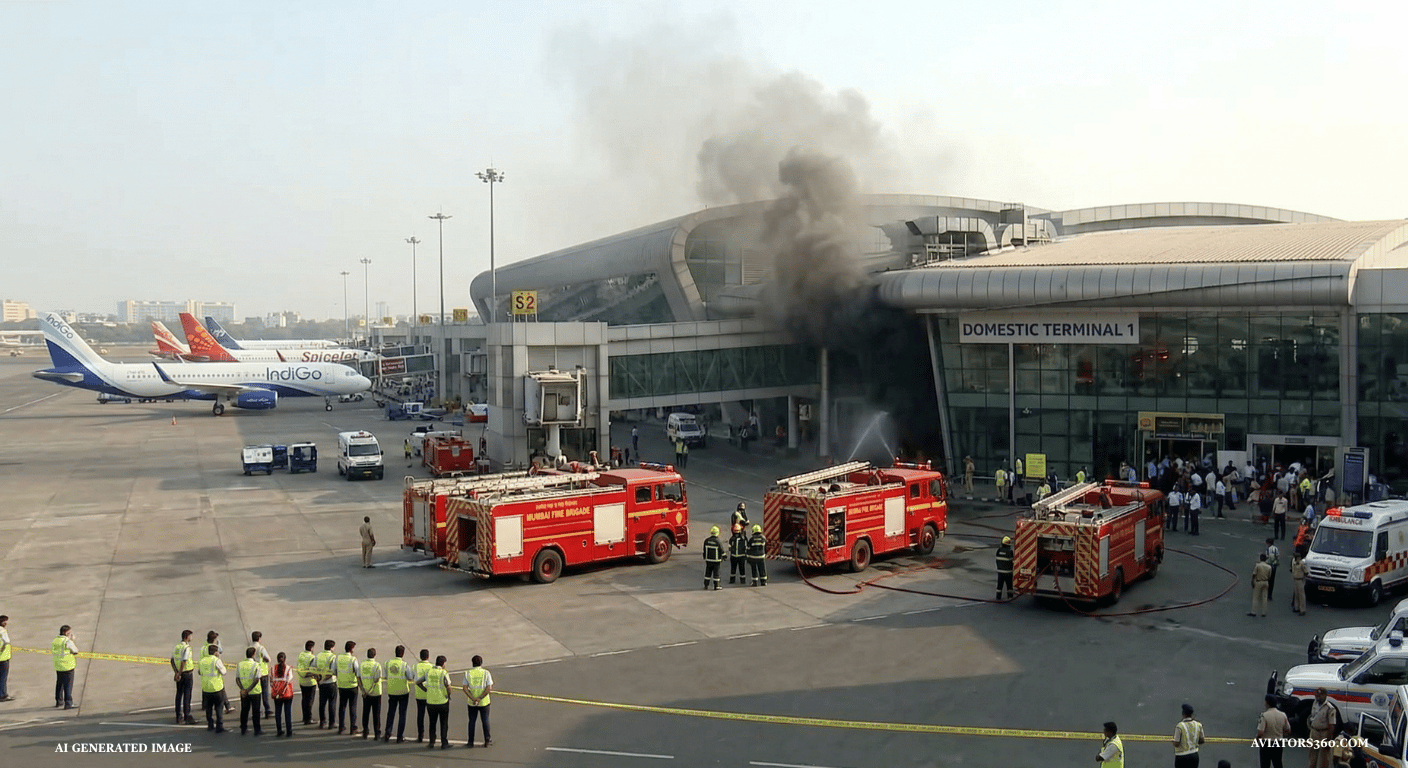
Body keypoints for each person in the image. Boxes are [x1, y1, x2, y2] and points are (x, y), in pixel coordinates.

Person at [416, 654, 452, 750]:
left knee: (432, 723)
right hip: (442, 701)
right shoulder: (443, 673)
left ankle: (432, 742)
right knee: (444, 723)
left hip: (431, 701)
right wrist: (448, 696)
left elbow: (418, 682)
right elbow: (448, 686)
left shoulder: (429, 671)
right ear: (443, 664)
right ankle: (444, 743)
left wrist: (426, 690)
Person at [461, 654, 493, 748]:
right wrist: (480, 698)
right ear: (481, 663)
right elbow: (489, 688)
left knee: (472, 721)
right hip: (484, 702)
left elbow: (465, 688)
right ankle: (487, 740)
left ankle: (470, 741)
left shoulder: (467, 673)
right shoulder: (486, 673)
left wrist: (472, 698)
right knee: (485, 720)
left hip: (472, 702)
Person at [383, 645, 411, 743]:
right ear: (403, 654)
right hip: (403, 691)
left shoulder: (387, 663)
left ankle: (387, 733)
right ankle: (400, 736)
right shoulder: (404, 665)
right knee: (402, 714)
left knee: (391, 713)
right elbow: (410, 677)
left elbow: (386, 676)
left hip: (392, 691)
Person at [1307, 688, 1340, 768]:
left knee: (1324, 758)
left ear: (1325, 695)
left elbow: (1332, 725)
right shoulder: (1315, 703)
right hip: (1314, 731)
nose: (1317, 698)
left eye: (1319, 696)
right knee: (1312, 755)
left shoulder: (1330, 708)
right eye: (1316, 696)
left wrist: (1328, 739)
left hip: (1324, 734)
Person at [198, 644, 227, 733]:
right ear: (215, 652)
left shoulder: (202, 661)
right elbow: (223, 672)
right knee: (219, 707)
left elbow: (199, 672)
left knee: (208, 708)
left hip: (206, 688)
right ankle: (219, 726)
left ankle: (210, 725)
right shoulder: (216, 660)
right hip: (217, 688)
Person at [1258, 694, 1291, 768]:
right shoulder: (1283, 715)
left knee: (1265, 764)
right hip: (1278, 743)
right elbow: (1288, 729)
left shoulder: (1264, 715)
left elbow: (1260, 732)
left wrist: (1257, 739)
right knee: (1277, 763)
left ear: (1267, 703)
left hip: (1266, 743)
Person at [170, 629, 196, 724]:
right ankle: (187, 715)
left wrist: (176, 673)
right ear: (187, 637)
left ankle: (178, 716)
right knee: (187, 695)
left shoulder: (177, 647)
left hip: (179, 674)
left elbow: (172, 660)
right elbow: (184, 661)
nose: (191, 638)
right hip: (186, 673)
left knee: (179, 695)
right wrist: (180, 673)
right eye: (191, 636)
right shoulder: (186, 648)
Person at [235, 647, 263, 736]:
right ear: (253, 654)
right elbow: (257, 679)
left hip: (244, 692)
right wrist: (248, 690)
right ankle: (257, 730)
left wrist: (243, 689)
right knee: (256, 711)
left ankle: (243, 728)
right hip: (255, 692)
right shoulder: (256, 665)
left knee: (244, 710)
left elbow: (237, 679)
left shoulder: (240, 664)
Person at [335, 640, 361, 734]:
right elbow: (358, 672)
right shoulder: (353, 659)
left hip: (342, 685)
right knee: (352, 707)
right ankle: (353, 728)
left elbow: (334, 670)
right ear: (352, 649)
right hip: (352, 686)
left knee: (342, 707)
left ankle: (341, 727)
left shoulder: (338, 658)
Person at [358, 647, 384, 740]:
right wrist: (371, 689)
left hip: (365, 693)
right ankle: (377, 733)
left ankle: (365, 731)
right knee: (376, 714)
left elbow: (358, 678)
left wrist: (363, 690)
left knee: (366, 713)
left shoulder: (362, 664)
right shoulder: (377, 665)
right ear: (374, 655)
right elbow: (377, 679)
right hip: (376, 693)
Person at [52, 624, 78, 709]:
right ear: (66, 633)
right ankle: (68, 703)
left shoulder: (55, 640)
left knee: (59, 683)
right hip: (67, 666)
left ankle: (59, 701)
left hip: (58, 665)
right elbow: (75, 650)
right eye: (69, 632)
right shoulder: (67, 641)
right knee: (68, 685)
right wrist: (72, 640)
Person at [206, 630, 233, 714]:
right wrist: (218, 643)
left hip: (206, 672)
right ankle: (227, 706)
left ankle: (205, 705)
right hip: (215, 671)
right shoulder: (214, 648)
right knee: (221, 690)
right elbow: (220, 650)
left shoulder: (204, 647)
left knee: (206, 691)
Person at [271, 651, 295, 737]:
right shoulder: (288, 668)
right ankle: (289, 731)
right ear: (285, 659)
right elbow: (290, 680)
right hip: (286, 693)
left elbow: (271, 681)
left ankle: (279, 730)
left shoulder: (273, 668)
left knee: (278, 712)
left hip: (277, 693)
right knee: (287, 712)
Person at [314, 639, 337, 728]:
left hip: (321, 684)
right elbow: (332, 671)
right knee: (332, 703)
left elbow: (314, 669)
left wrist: (318, 681)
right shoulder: (332, 657)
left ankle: (322, 722)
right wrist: (324, 679)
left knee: (322, 703)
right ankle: (332, 723)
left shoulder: (318, 656)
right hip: (331, 683)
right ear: (331, 648)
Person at [1172, 703, 1204, 767]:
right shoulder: (1198, 725)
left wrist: (1173, 742)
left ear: (1183, 714)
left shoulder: (1179, 726)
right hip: (1194, 756)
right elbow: (1202, 740)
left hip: (1181, 757)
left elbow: (1176, 743)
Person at [250, 630, 273, 719]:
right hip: (263, 672)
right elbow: (268, 659)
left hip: (253, 672)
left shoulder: (249, 647)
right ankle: (267, 709)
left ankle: (257, 710)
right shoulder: (261, 648)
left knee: (256, 693)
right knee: (265, 692)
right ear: (259, 638)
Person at [413, 648, 433, 742]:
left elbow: (413, 677)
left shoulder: (415, 666)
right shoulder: (432, 667)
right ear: (428, 656)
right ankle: (431, 736)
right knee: (431, 716)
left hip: (419, 694)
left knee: (420, 715)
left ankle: (420, 735)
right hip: (429, 695)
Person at [296, 640, 317, 726]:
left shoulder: (301, 655)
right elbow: (314, 669)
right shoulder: (312, 657)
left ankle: (305, 717)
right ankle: (308, 718)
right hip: (310, 682)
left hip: (302, 681)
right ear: (311, 648)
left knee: (304, 699)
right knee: (309, 701)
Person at [702, 525, 724, 591]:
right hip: (716, 561)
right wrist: (724, 556)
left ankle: (706, 585)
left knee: (707, 573)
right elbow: (721, 550)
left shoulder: (706, 540)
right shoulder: (718, 541)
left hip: (708, 560)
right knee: (716, 573)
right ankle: (716, 586)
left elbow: (704, 550)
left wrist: (705, 557)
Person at [0, 615, 10, 702]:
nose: (5, 623)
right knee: (3, 677)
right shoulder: (2, 630)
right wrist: (3, 648)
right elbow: (6, 641)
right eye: (4, 621)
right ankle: (2, 695)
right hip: (3, 658)